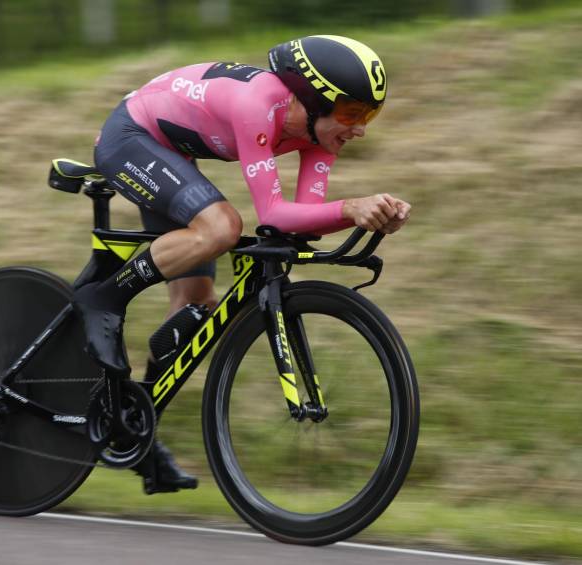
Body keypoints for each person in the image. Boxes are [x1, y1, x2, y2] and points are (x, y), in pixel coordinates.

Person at [74, 35, 411, 494]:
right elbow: (272, 214)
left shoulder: (318, 134)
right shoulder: (259, 104)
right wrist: (351, 207)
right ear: (311, 100)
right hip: (130, 137)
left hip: (172, 152)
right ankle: (103, 297)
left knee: (196, 305)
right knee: (221, 229)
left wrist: (375, 216)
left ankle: (136, 432)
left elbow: (299, 224)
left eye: (368, 116)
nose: (360, 129)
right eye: (352, 113)